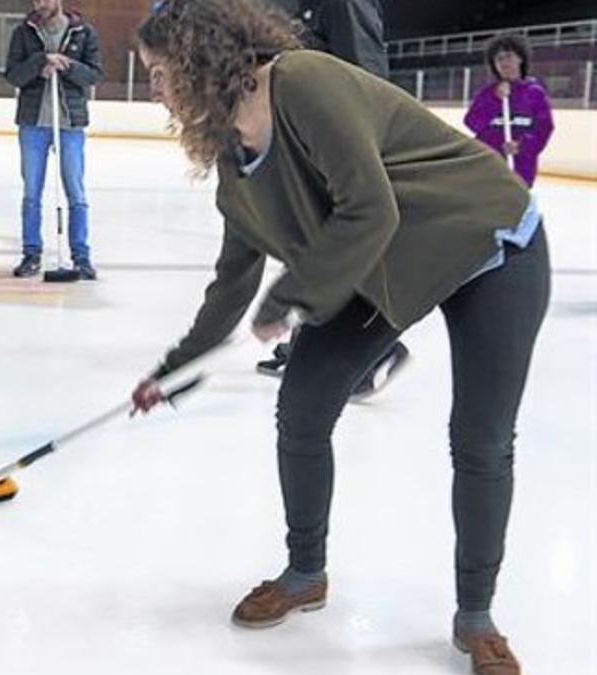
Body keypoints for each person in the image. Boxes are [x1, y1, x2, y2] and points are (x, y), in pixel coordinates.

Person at [131, 1, 548, 672]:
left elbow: (369, 208)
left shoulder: (304, 81)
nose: (155, 88)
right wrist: (177, 368)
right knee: (300, 409)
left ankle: (477, 617)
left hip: (487, 244)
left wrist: (294, 296)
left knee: (480, 440)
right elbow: (232, 285)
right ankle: (305, 573)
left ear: (199, 59)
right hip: (382, 266)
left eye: (159, 71)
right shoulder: (236, 169)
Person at [255, 0, 410, 399]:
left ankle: (375, 351)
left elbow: (367, 72)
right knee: (306, 245)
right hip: (297, 137)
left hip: (332, 140)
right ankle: (308, 345)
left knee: (337, 246)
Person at [4, 0, 103, 280]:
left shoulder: (84, 32)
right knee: (31, 194)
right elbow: (13, 76)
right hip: (33, 123)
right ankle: (31, 254)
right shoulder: (24, 32)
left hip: (70, 123)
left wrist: (67, 66)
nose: (40, 4)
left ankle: (81, 257)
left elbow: (94, 75)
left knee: (76, 193)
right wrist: (40, 64)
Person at [465, 33, 555, 188]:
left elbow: (544, 128)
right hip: (489, 168)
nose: (504, 62)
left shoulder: (534, 93)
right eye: (499, 59)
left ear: (520, 58)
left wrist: (522, 146)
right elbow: (472, 122)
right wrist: (495, 100)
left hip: (520, 169)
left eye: (508, 56)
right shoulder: (487, 93)